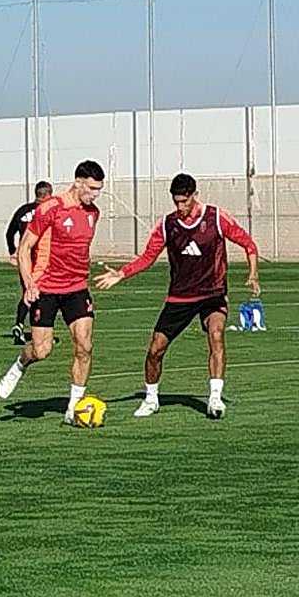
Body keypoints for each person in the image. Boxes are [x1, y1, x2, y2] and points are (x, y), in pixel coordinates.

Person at [94, 173, 260, 419]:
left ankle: (214, 398)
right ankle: (151, 399)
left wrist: (253, 274)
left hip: (212, 293)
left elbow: (248, 244)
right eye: (176, 202)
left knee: (216, 335)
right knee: (155, 350)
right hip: (180, 297)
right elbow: (147, 256)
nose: (180, 207)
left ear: (195, 195)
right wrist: (122, 273)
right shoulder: (167, 224)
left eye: (185, 201)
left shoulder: (216, 218)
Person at [0, 160, 105, 424]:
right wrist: (30, 283)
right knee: (42, 350)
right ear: (77, 182)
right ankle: (20, 364)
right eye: (91, 188)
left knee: (84, 345)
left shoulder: (94, 213)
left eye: (99, 189)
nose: (95, 194)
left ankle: (73, 408)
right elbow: (24, 249)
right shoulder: (50, 209)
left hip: (77, 288)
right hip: (46, 288)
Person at [4, 180, 53, 345]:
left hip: (24, 257)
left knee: (28, 290)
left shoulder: (23, 211)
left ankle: (19, 324)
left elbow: (9, 233)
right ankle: (38, 331)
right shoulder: (47, 211)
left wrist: (13, 252)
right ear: (48, 195)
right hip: (40, 257)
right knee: (41, 294)